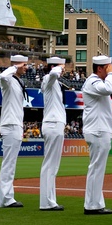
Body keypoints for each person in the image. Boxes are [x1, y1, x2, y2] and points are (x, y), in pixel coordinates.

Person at [82, 55, 112, 215]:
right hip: (97, 130)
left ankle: (96, 203)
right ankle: (91, 205)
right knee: (96, 167)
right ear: (100, 68)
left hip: (100, 129)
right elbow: (108, 89)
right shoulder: (93, 81)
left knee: (98, 168)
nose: (111, 69)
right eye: (108, 67)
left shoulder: (97, 82)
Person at [0, 55, 29, 208]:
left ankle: (5, 197)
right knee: (9, 164)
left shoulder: (17, 81)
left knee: (10, 163)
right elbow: (2, 75)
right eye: (24, 65)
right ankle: (5, 198)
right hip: (10, 124)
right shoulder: (8, 80)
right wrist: (14, 67)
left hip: (15, 124)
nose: (26, 67)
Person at [39, 57, 68, 211]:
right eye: (61, 67)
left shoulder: (54, 82)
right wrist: (58, 67)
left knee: (52, 164)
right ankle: (46, 202)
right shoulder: (48, 79)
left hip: (55, 124)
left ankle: (50, 200)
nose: (63, 70)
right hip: (53, 124)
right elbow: (52, 75)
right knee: (50, 164)